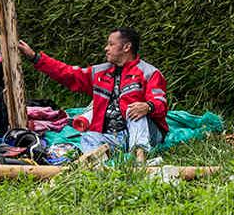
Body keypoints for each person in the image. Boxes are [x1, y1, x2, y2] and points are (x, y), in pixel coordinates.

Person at [17, 28, 168, 160]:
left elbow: (161, 104)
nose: (106, 48)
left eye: (111, 44)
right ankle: (97, 165)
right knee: (90, 137)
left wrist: (148, 106)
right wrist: (35, 58)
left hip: (147, 134)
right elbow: (68, 74)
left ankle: (139, 158)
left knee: (134, 110)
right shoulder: (99, 72)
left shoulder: (150, 72)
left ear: (127, 47)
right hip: (114, 136)